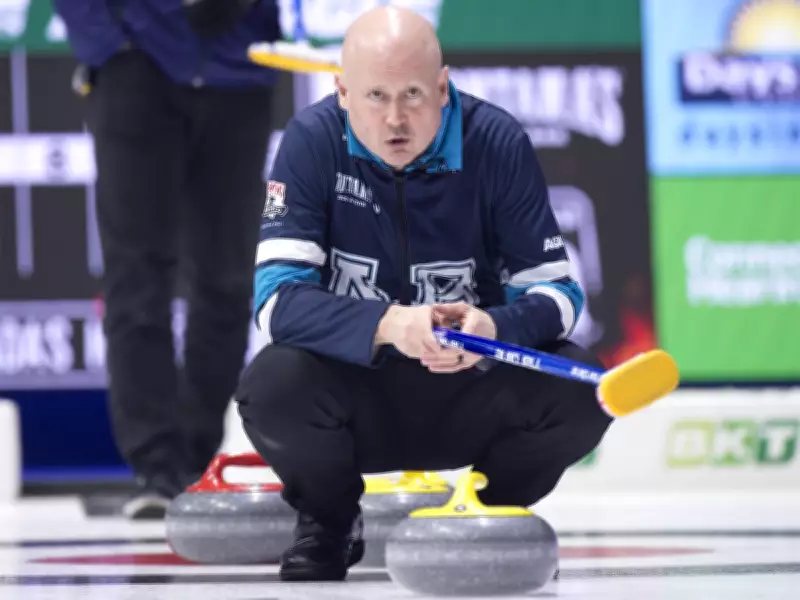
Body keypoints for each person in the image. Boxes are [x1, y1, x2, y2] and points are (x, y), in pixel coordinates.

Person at [235, 5, 612, 582]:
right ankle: (329, 524)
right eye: (375, 96)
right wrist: (389, 324)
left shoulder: (497, 141)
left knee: (582, 391)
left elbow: (560, 294)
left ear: (443, 86)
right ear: (341, 92)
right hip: (356, 393)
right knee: (270, 386)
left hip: (469, 386)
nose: (394, 121)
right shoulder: (310, 143)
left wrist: (493, 328)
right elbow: (276, 303)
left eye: (412, 94)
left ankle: (486, 513)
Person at [53, 0, 283, 519]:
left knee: (226, 278)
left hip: (238, 70)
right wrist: (110, 47)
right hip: (139, 67)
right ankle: (154, 465)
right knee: (136, 276)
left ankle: (197, 460)